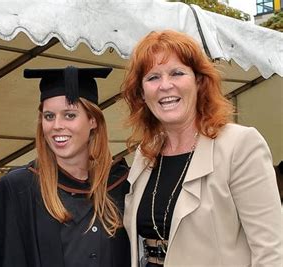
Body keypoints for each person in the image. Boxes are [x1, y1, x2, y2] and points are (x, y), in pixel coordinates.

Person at [121, 30, 282, 267]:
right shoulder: (145, 153)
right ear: (142, 94)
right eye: (153, 77)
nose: (165, 85)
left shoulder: (239, 146)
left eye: (177, 73)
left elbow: (271, 252)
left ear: (198, 81)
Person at [0, 66, 131, 267]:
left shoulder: (121, 185)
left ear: (93, 120)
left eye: (69, 115)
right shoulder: (18, 189)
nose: (57, 125)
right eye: (49, 116)